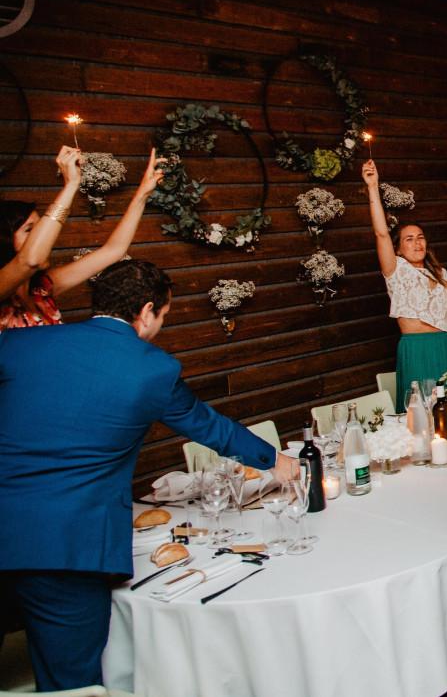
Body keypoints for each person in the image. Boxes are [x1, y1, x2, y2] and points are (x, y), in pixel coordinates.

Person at [0, 259, 298, 691]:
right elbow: (210, 427)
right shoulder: (152, 368)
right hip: (64, 547)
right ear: (145, 312)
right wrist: (277, 461)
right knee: (70, 683)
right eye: (164, 315)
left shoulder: (19, 344)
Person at [1, 147, 163, 330]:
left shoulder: (42, 290)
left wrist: (143, 194)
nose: (43, 235)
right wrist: (71, 185)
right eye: (30, 230)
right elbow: (30, 260)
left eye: (41, 227)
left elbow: (113, 251)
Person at [362, 159, 447, 404]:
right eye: (409, 239)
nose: (417, 243)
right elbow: (380, 232)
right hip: (416, 348)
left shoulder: (440, 272)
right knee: (421, 413)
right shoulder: (396, 270)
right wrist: (372, 187)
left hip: (444, 345)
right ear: (397, 248)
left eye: (420, 237)